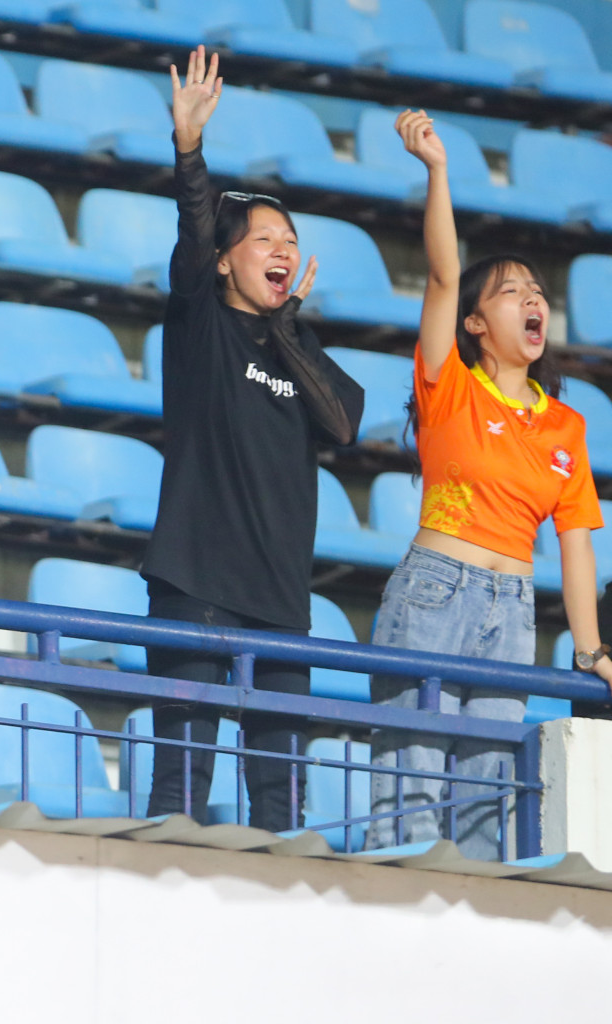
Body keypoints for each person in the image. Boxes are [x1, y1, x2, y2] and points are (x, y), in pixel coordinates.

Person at [363, 111, 610, 859]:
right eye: (510, 293)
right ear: (474, 322)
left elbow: (574, 544)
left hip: (513, 612)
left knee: (483, 802)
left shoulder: (567, 426)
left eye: (537, 291)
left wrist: (590, 651)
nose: (532, 300)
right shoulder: (450, 389)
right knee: (412, 793)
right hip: (435, 588)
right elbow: (442, 273)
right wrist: (438, 172)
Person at [140, 47, 365, 831]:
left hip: (279, 605)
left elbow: (342, 423)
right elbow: (195, 227)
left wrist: (287, 328)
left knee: (283, 806)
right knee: (181, 794)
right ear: (225, 261)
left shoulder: (300, 354)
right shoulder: (199, 321)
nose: (281, 249)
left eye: (289, 240)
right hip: (195, 587)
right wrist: (190, 152)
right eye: (263, 239)